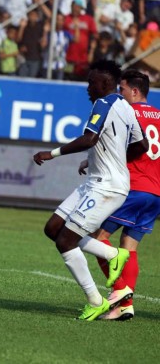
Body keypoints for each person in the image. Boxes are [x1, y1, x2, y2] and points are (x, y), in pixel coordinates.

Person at [33, 60, 148, 321]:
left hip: (107, 186)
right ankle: (111, 254)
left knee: (65, 241)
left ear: (105, 83)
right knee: (52, 229)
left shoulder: (104, 103)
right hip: (97, 182)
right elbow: (142, 145)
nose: (87, 87)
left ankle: (95, 300)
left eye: (91, 82)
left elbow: (89, 138)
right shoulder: (126, 107)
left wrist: (51, 154)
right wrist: (114, 159)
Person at [78, 70, 160, 321]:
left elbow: (118, 148)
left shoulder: (127, 112)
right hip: (155, 191)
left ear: (135, 91)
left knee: (96, 237)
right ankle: (125, 304)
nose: (118, 94)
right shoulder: (158, 116)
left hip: (131, 187)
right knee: (129, 247)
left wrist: (89, 161)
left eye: (122, 89)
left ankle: (121, 294)